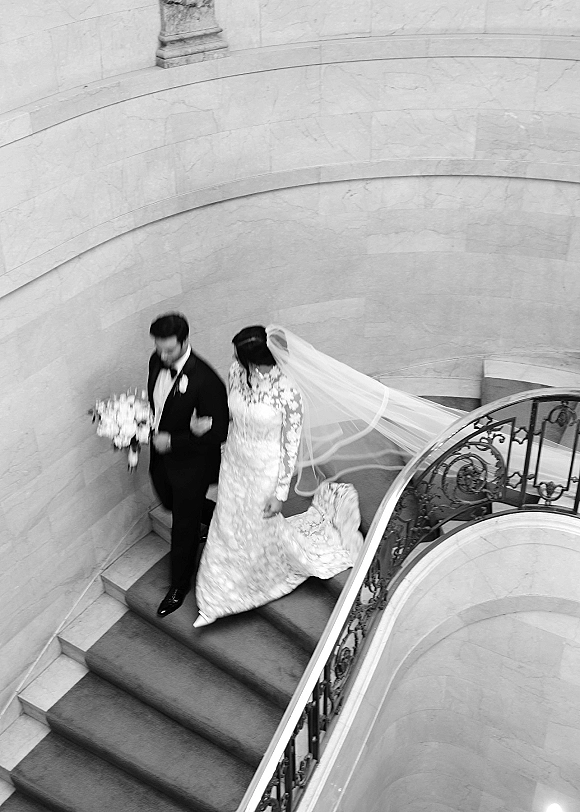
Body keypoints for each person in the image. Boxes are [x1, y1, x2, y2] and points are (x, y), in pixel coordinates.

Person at [191, 325, 460, 627]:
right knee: (227, 521)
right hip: (235, 462)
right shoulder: (236, 373)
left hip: (264, 468)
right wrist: (217, 428)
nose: (235, 359)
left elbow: (290, 444)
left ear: (257, 359)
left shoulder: (288, 392)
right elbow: (236, 413)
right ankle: (218, 584)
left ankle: (236, 589)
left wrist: (281, 493)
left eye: (240, 356)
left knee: (256, 525)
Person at [148, 313, 229, 617]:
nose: (163, 355)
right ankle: (216, 515)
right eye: (159, 348)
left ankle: (179, 586)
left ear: (184, 341)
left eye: (169, 350)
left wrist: (176, 442)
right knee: (167, 501)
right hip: (160, 458)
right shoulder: (156, 362)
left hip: (191, 465)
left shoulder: (206, 381)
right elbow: (159, 406)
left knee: (182, 526)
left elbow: (219, 433)